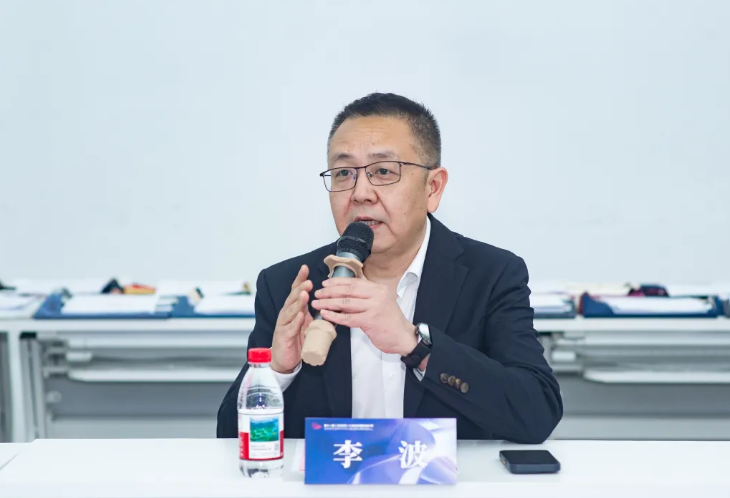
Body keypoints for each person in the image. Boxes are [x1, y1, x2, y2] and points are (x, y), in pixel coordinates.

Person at [217, 93, 562, 443]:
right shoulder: (290, 284)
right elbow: (228, 439)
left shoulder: (491, 275)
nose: (360, 193)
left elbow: (536, 412)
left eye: (383, 171)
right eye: (344, 173)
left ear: (433, 188)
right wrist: (278, 371)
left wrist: (416, 345)